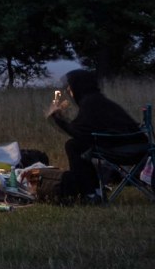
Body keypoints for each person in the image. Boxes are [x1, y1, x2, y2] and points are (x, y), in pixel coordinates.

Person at [46, 67, 140, 201]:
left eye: (70, 88)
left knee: (74, 146)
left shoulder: (91, 103)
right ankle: (93, 190)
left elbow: (80, 133)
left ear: (79, 86)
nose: (69, 92)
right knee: (78, 145)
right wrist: (63, 121)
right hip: (135, 146)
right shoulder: (98, 100)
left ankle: (90, 192)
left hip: (125, 150)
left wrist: (58, 119)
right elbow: (85, 130)